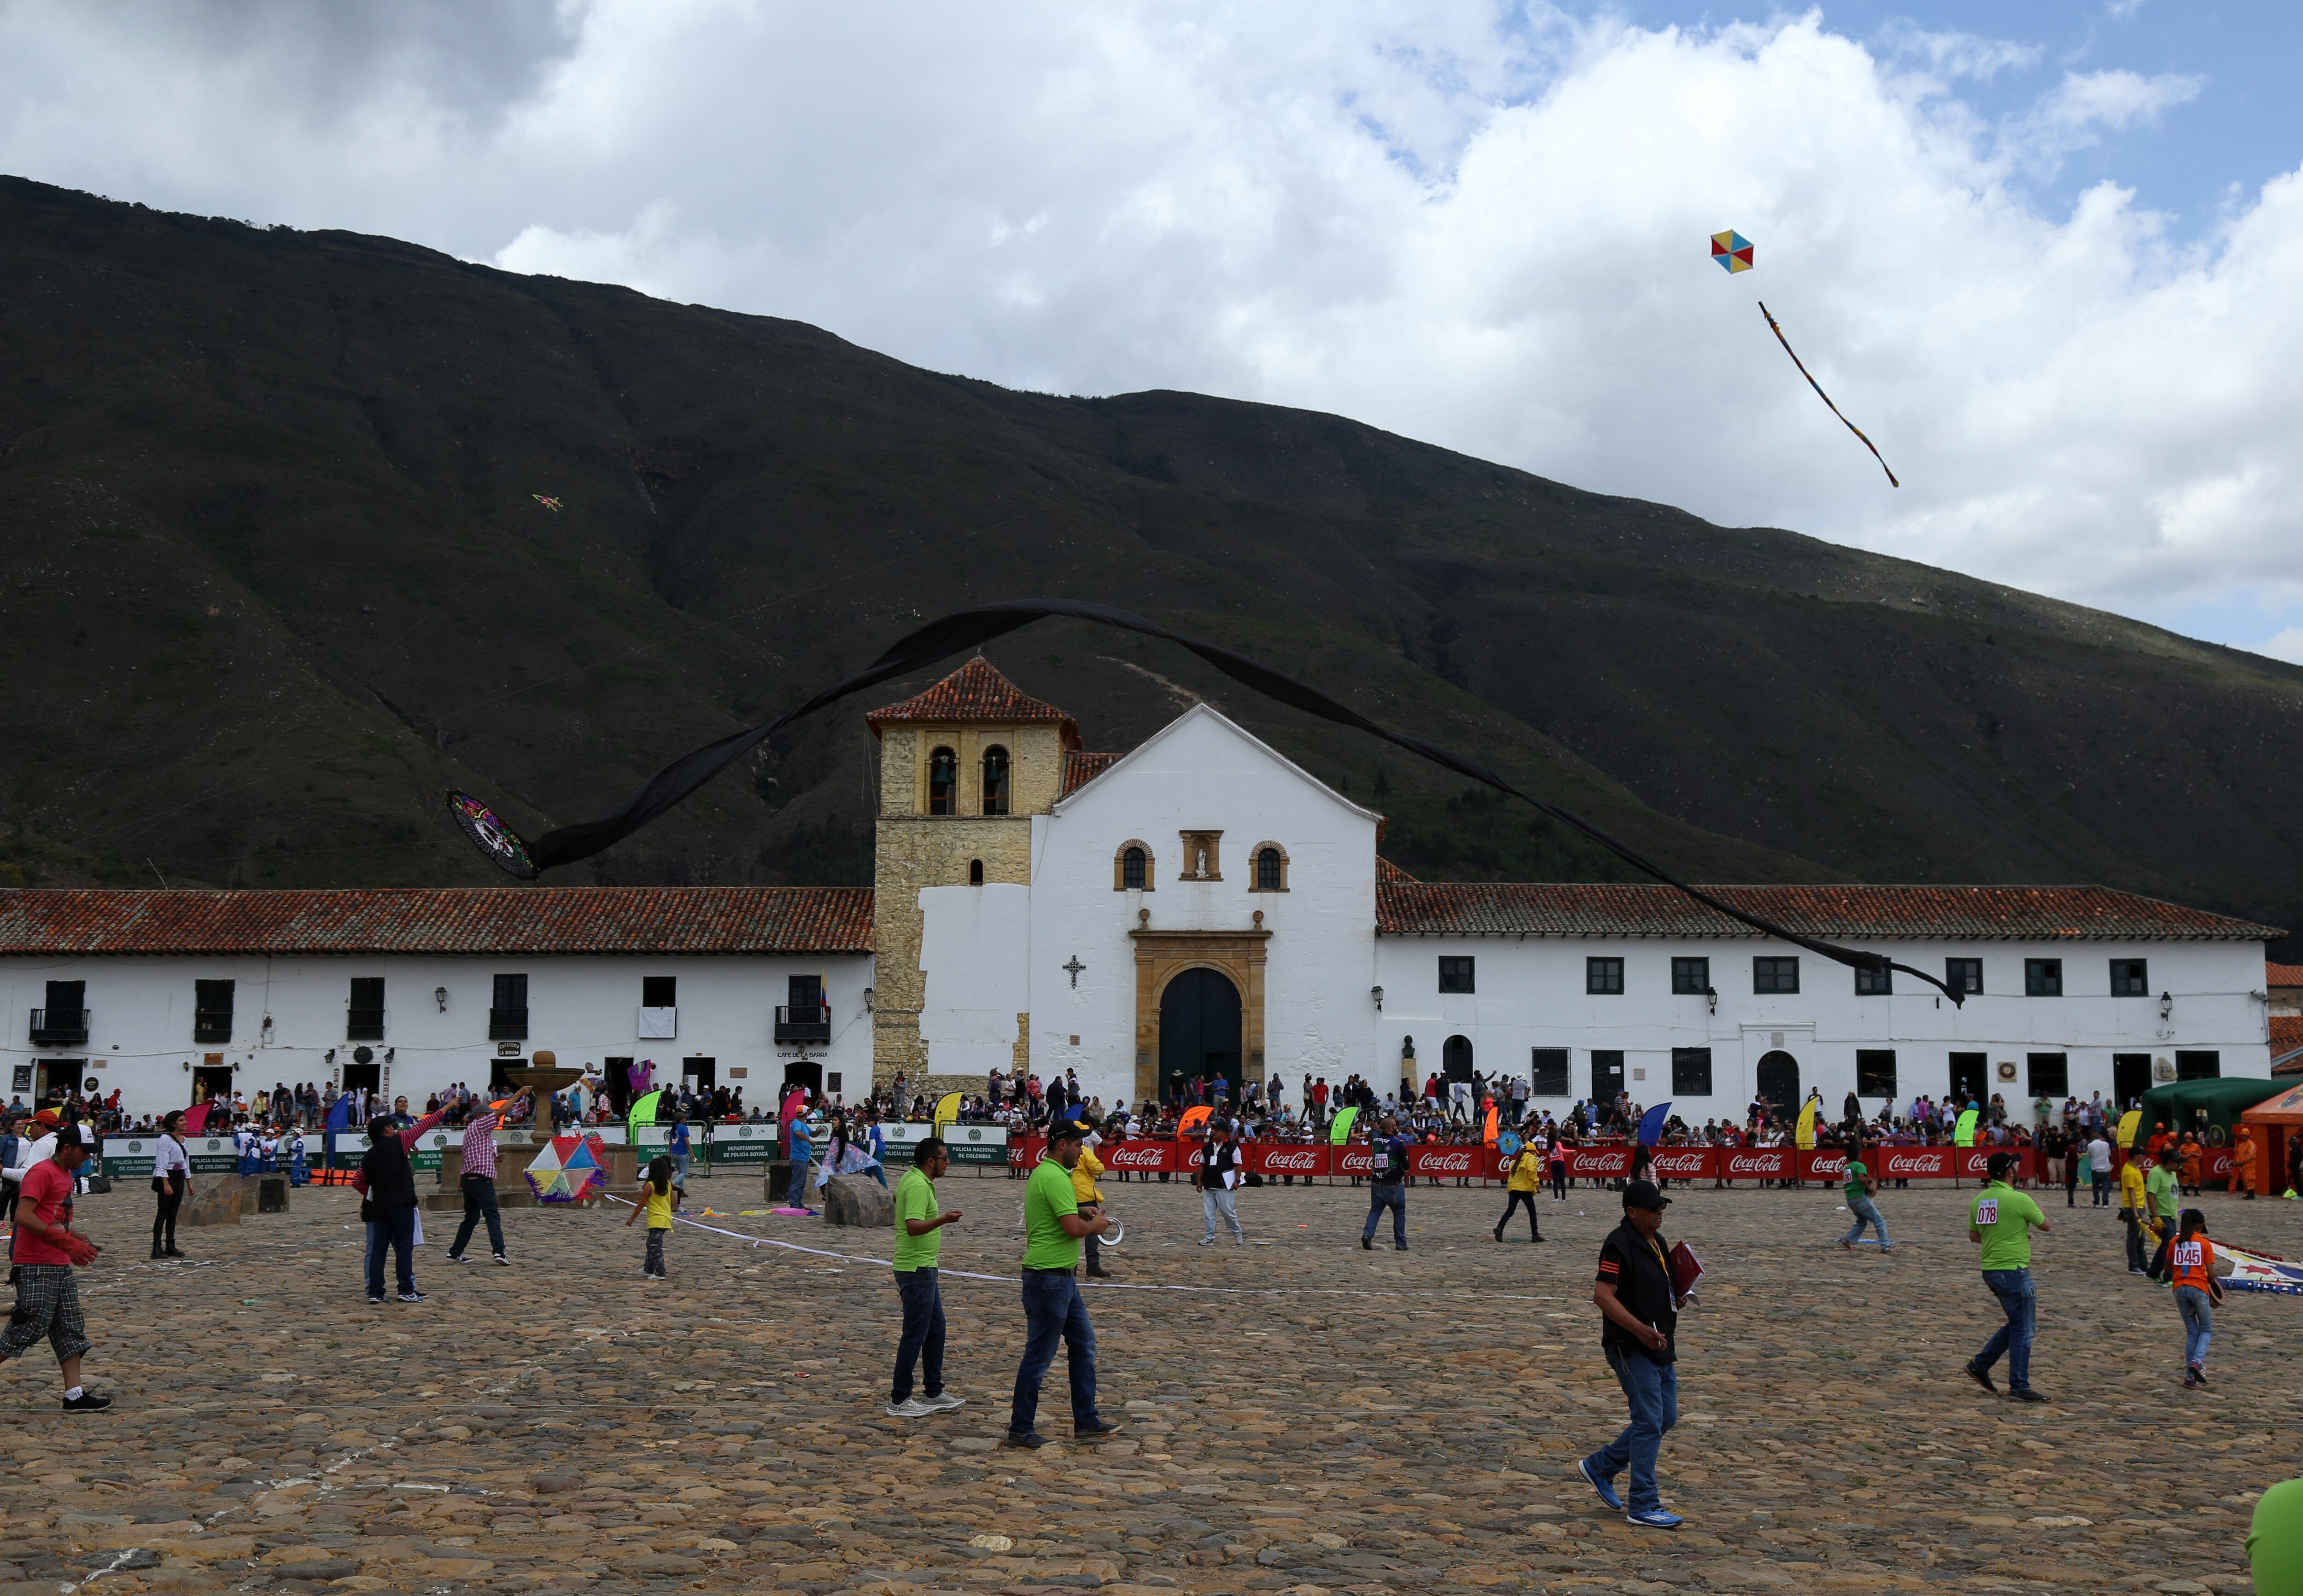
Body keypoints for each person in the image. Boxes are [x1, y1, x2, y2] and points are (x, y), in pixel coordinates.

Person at [1577, 1180, 1687, 1530]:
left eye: (1662, 1207)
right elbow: (1603, 1295)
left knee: (1665, 1417)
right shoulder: (1618, 1245)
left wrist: (1678, 1297)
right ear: (1632, 1212)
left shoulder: (1658, 1242)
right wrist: (1640, 1330)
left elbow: (1658, 1285)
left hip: (1660, 1343)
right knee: (1649, 1420)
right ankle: (1643, 1502)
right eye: (1653, 1208)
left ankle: (1601, 1466)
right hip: (1631, 1345)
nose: (1659, 1213)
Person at [1005, 1119, 1119, 1448]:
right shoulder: (1055, 1177)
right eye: (1077, 1145)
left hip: (1063, 1278)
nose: (1081, 1150)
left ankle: (1086, 1420)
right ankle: (1021, 1428)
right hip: (1048, 1278)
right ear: (1062, 1144)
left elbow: (1064, 1216)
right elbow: (1071, 1229)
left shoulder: (1052, 1174)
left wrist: (1080, 1210)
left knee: (1084, 1346)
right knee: (1039, 1357)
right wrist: (1094, 1224)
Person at [0, 1126, 109, 1409]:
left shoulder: (65, 1174)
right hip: (36, 1263)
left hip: (58, 1263)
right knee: (29, 1327)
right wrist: (65, 1241)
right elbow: (22, 1216)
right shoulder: (42, 1173)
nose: (86, 1159)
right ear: (67, 1149)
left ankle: (74, 1395)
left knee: (70, 1328)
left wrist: (72, 1235)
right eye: (84, 1152)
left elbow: (49, 1216)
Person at [1963, 1150, 2051, 1403]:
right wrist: (2040, 1210)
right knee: (2024, 1329)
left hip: (1991, 1268)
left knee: (2017, 1322)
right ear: (2010, 1172)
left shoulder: (1980, 1199)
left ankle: (1981, 1365)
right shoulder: (2019, 1199)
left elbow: (1975, 1236)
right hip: (2013, 1269)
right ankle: (2019, 1386)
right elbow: (2045, 1225)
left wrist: (2012, 1235)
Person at [887, 1136, 965, 1417]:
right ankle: (899, 1398)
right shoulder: (919, 1184)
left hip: (925, 1267)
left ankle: (934, 1391)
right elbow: (913, 1227)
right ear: (931, 1161)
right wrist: (944, 1219)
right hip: (916, 1269)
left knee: (936, 1329)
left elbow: (899, 1200)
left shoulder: (913, 1179)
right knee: (915, 1333)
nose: (948, 1163)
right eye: (945, 1158)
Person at [448, 1084, 531, 1267]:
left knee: (471, 1218)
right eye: (487, 1115)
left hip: (469, 1179)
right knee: (492, 1215)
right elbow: (501, 1111)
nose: (492, 1120)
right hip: (480, 1180)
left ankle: (455, 1252)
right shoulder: (480, 1125)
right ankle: (499, 1252)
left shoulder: (475, 1133)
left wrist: (494, 1158)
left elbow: (471, 1155)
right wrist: (518, 1094)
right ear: (480, 1116)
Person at [2167, 1208, 2221, 1389]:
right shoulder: (2204, 1243)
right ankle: (2197, 1362)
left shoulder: (2175, 1242)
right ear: (2200, 1225)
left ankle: (2190, 1378)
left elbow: (2168, 1268)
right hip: (2198, 1289)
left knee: (2192, 1331)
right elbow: (2212, 1276)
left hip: (2179, 1290)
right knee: (2206, 1330)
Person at [1360, 1115, 1410, 1251]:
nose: (1397, 1127)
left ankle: (1367, 1234)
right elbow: (1407, 1164)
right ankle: (1401, 1243)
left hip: (1376, 1182)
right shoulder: (1397, 1143)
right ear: (1390, 1128)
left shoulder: (1376, 1141)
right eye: (1395, 1125)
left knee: (1375, 1210)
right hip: (1393, 1184)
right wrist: (1403, 1170)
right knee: (1399, 1213)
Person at [625, 1154, 675, 1279]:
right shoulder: (668, 1185)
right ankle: (648, 1268)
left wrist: (632, 1219)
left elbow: (641, 1204)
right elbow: (673, 1203)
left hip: (656, 1221)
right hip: (666, 1220)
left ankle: (660, 1273)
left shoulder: (649, 1186)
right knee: (651, 1245)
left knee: (656, 1248)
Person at [1072, 1125, 1112, 1278]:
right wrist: (1100, 1165)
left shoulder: (1063, 1152)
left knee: (1069, 1234)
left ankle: (1071, 1266)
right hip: (1086, 1197)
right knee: (1092, 1234)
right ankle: (1093, 1266)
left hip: (1070, 1195)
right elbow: (1098, 1169)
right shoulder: (1085, 1151)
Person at [151, 1109, 190, 1259]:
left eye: (185, 1120)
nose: (185, 1123)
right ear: (173, 1123)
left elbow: (185, 1163)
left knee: (173, 1214)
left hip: (179, 1177)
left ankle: (170, 1245)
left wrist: (189, 1183)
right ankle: (156, 1247)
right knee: (163, 1213)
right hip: (168, 1177)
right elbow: (161, 1164)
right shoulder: (165, 1139)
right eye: (181, 1120)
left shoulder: (184, 1139)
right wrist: (166, 1185)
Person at [1839, 1144, 1890, 1252]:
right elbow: (1862, 1179)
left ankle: (1847, 1240)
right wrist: (1868, 1187)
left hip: (1850, 1198)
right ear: (1858, 1156)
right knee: (1879, 1221)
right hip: (1859, 1197)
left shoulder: (1847, 1167)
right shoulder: (1860, 1166)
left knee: (1862, 1222)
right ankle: (1885, 1246)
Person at [1199, 1121, 1244, 1245]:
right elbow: (1202, 1165)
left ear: (1225, 1133)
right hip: (1209, 1184)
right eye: (1214, 1130)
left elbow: (1238, 1165)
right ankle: (1209, 1237)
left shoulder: (1233, 1148)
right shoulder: (1207, 1147)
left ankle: (1237, 1233)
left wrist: (1237, 1180)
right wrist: (1199, 1181)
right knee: (1209, 1214)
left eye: (1217, 1130)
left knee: (1228, 1213)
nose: (1214, 1132)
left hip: (1224, 1185)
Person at [1494, 1138, 1544, 1243]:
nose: (1535, 1154)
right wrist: (1536, 1183)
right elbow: (1531, 1171)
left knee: (1510, 1211)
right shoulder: (1530, 1158)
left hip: (1514, 1188)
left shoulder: (1517, 1160)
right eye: (1535, 1152)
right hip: (1525, 1189)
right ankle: (1535, 1235)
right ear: (1532, 1151)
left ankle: (1500, 1228)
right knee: (1532, 1212)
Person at [2144, 1146, 2181, 1281]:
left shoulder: (2173, 1174)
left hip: (2171, 1214)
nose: (2179, 1165)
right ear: (2169, 1162)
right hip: (2161, 1214)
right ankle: (2168, 1276)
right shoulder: (2156, 1173)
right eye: (2177, 1162)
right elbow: (2150, 1195)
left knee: (2167, 1244)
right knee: (2170, 1245)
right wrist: (2156, 1217)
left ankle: (2153, 1272)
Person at [2118, 1145, 2151, 1275]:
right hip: (2132, 1208)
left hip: (2138, 1206)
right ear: (2137, 1157)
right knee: (2134, 1237)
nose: (2145, 1158)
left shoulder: (2135, 1169)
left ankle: (2143, 1264)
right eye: (2143, 1156)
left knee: (2141, 1238)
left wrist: (2141, 1204)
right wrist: (2135, 1211)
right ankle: (2134, 1265)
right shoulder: (2130, 1172)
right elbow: (2131, 1193)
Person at [2087, 1130, 2113, 1206]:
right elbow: (2109, 1154)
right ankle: (2105, 1203)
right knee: (2106, 1187)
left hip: (2096, 1168)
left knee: (2096, 1187)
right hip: (2105, 1168)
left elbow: (2089, 1156)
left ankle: (2097, 1202)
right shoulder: (2106, 1144)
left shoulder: (2090, 1145)